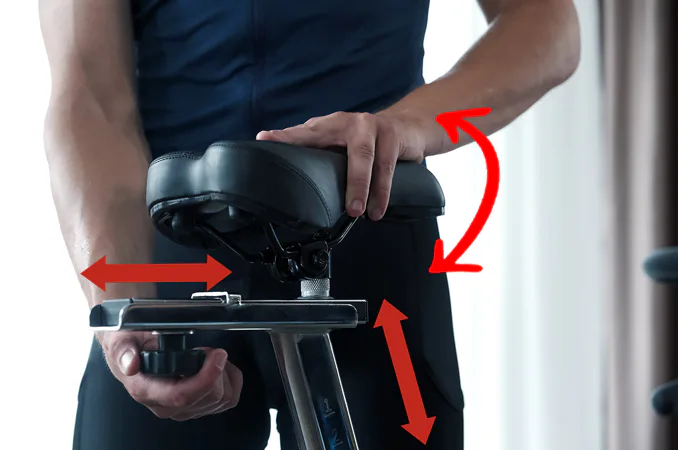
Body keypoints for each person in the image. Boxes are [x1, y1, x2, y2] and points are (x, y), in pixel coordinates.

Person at [39, 1, 580, 449]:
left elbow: (546, 22)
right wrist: (121, 313)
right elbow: (89, 93)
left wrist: (410, 124)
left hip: (366, 231)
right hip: (170, 269)